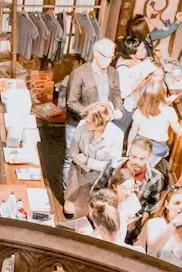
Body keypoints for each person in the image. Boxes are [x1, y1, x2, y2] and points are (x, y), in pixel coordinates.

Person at [63, 38, 123, 192]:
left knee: (97, 158)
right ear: (96, 54)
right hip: (79, 123)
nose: (110, 60)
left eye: (112, 57)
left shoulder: (113, 73)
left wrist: (118, 109)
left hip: (103, 126)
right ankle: (68, 195)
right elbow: (71, 102)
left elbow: (117, 94)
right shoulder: (79, 74)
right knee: (71, 159)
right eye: (107, 56)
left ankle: (89, 193)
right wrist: (91, 115)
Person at [91, 137, 166, 242]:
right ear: (129, 152)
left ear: (149, 157)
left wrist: (141, 218)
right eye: (134, 157)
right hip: (104, 221)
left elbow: (153, 204)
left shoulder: (156, 178)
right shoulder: (113, 166)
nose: (137, 162)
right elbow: (96, 190)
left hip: (130, 229)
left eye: (142, 159)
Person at [63, 102, 123, 217]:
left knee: (93, 212)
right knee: (79, 210)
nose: (86, 123)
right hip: (79, 171)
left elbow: (112, 165)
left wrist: (88, 161)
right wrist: (84, 164)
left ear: (101, 124)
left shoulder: (117, 135)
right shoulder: (82, 125)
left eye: (89, 122)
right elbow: (73, 152)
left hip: (99, 179)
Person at [128, 80, 182, 168]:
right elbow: (180, 132)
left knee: (138, 166)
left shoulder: (141, 109)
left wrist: (129, 146)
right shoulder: (169, 111)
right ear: (162, 97)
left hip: (140, 143)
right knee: (147, 168)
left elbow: (133, 130)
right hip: (158, 148)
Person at [113, 35, 160, 135]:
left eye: (144, 47)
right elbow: (123, 93)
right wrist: (142, 78)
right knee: (119, 132)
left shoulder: (136, 60)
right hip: (125, 108)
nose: (145, 51)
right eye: (142, 50)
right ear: (132, 55)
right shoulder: (122, 69)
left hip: (135, 103)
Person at [107, 166, 141, 244]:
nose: (128, 193)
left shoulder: (132, 200)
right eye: (124, 188)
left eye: (131, 188)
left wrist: (131, 227)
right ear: (114, 187)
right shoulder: (106, 201)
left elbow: (131, 234)